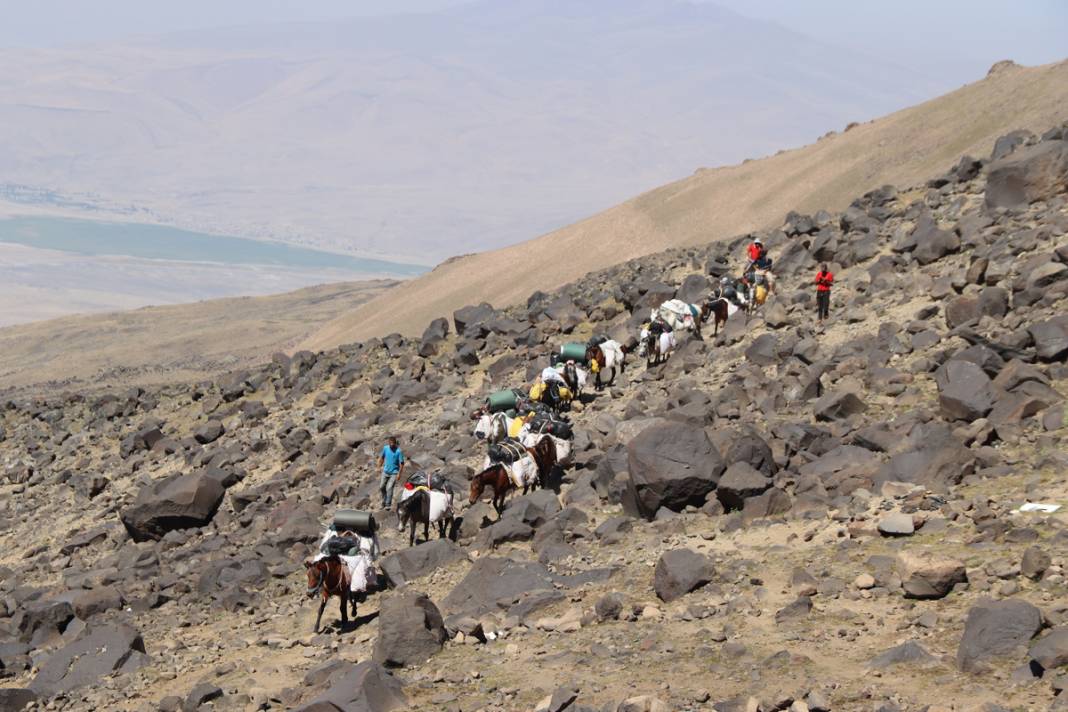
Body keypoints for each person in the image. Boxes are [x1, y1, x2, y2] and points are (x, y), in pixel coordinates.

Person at [377, 436, 405, 509]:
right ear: (389, 443)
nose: (391, 445)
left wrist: (399, 474)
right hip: (385, 471)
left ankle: (388, 505)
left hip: (394, 473)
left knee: (389, 488)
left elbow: (401, 463)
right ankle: (384, 501)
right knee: (381, 487)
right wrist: (379, 466)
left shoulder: (399, 451)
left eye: (393, 444)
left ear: (395, 443)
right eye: (390, 444)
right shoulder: (385, 448)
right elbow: (382, 457)